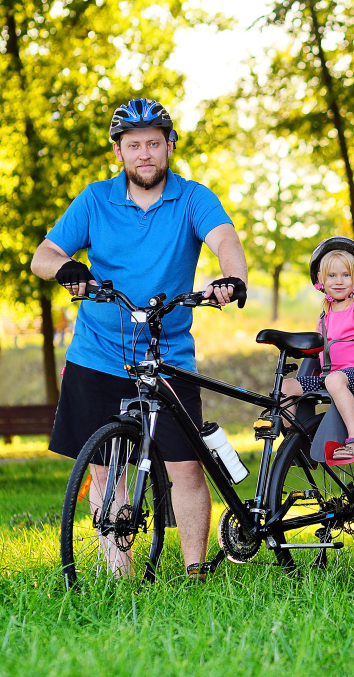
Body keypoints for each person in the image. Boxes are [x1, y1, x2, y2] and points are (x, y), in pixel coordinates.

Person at [30, 98, 248, 576]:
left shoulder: (192, 197)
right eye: (134, 145)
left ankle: (195, 573)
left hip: (167, 353)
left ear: (169, 147)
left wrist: (231, 278)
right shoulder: (94, 199)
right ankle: (120, 575)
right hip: (97, 351)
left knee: (185, 466)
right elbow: (43, 255)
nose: (144, 153)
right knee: (106, 470)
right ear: (119, 152)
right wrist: (67, 266)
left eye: (154, 143)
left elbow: (225, 239)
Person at [280, 236, 354, 463]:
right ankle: (294, 443)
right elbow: (319, 348)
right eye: (332, 276)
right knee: (286, 386)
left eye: (345, 275)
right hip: (330, 376)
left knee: (335, 380)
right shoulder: (325, 313)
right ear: (321, 279)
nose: (339, 281)